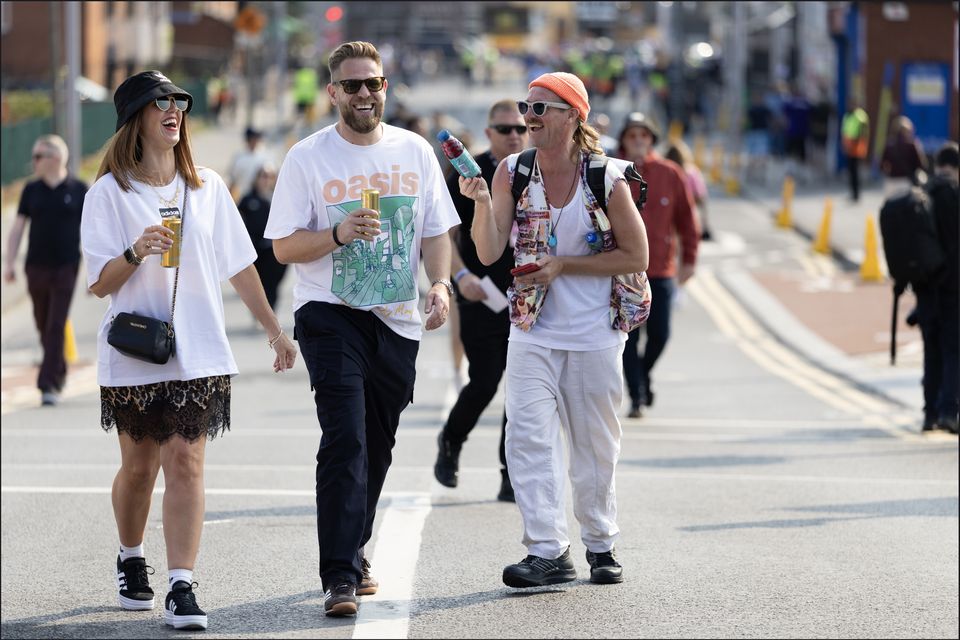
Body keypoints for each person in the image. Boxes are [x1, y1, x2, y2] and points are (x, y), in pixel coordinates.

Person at [80, 70, 298, 631]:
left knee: (186, 461)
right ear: (136, 118)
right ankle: (131, 557)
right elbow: (100, 284)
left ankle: (182, 584)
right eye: (160, 103)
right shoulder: (110, 192)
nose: (174, 110)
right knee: (139, 468)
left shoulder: (206, 187)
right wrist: (135, 252)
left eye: (179, 101)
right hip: (134, 348)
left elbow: (240, 266)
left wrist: (275, 330)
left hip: (198, 348)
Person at [265, 41, 459, 616]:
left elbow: (435, 231)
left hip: (397, 320)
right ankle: (340, 575)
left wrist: (441, 284)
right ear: (333, 93)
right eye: (352, 86)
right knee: (345, 438)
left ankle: (354, 548)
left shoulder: (415, 151)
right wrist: (338, 234)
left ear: (384, 88)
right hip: (330, 314)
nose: (365, 94)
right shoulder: (308, 158)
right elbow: (281, 246)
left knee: (377, 445)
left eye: (373, 83)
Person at [461, 72, 649, 588]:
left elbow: (636, 255)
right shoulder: (512, 172)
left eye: (544, 108)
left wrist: (563, 264)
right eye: (529, 107)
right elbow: (488, 251)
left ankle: (601, 543)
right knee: (526, 438)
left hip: (594, 334)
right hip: (531, 329)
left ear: (574, 116)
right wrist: (480, 202)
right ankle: (547, 550)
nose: (531, 117)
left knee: (594, 445)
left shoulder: (605, 178)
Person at [433, 99, 528, 502]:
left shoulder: (537, 171)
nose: (514, 135)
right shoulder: (469, 172)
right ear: (488, 132)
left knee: (523, 389)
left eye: (521, 128)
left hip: (528, 296)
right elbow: (443, 233)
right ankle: (451, 440)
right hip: (480, 294)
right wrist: (460, 276)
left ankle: (511, 473)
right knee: (486, 380)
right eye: (505, 129)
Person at [616, 112, 700, 418]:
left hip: (661, 270)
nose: (638, 141)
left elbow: (687, 221)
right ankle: (637, 395)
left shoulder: (670, 173)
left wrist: (689, 260)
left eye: (644, 136)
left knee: (661, 334)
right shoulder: (613, 172)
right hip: (623, 271)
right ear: (624, 140)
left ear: (652, 139)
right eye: (632, 136)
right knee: (629, 338)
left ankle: (642, 374)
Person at [4, 134, 87, 407]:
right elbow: (17, 228)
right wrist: (9, 262)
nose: (34, 161)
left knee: (55, 324)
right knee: (42, 322)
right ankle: (58, 367)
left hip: (66, 266)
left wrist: (94, 273)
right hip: (35, 267)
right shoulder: (31, 190)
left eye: (38, 156)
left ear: (55, 158)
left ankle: (47, 384)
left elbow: (91, 233)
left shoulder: (79, 189)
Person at [916, 142, 959, 434]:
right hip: (953, 286)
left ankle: (929, 413)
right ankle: (949, 412)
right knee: (953, 350)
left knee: (931, 351)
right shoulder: (955, 194)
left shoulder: (922, 195)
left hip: (925, 286)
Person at [238, 164, 287, 311]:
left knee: (273, 282)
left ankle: (271, 309)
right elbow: (237, 218)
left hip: (274, 249)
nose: (266, 180)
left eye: (270, 176)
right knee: (259, 282)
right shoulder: (248, 199)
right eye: (263, 176)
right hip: (255, 248)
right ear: (257, 178)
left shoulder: (279, 198)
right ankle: (261, 312)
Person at [665, 140, 711, 240]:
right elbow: (701, 198)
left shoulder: (665, 172)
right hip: (689, 215)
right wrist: (705, 225)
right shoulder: (691, 172)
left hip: (668, 216)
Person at [881, 116, 927, 194]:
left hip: (891, 182)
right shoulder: (912, 146)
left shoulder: (889, 146)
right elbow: (921, 165)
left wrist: (891, 172)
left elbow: (882, 166)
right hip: (907, 182)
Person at [227, 126, 270, 203]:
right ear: (247, 139)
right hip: (242, 197)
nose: (255, 141)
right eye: (253, 138)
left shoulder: (265, 157)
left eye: (256, 138)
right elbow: (233, 181)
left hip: (261, 198)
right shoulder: (239, 158)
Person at [841, 102, 870, 202]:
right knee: (851, 171)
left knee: (855, 171)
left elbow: (863, 130)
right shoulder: (848, 115)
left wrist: (858, 142)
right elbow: (846, 130)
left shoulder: (860, 115)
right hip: (849, 146)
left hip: (856, 146)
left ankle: (856, 194)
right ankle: (853, 193)